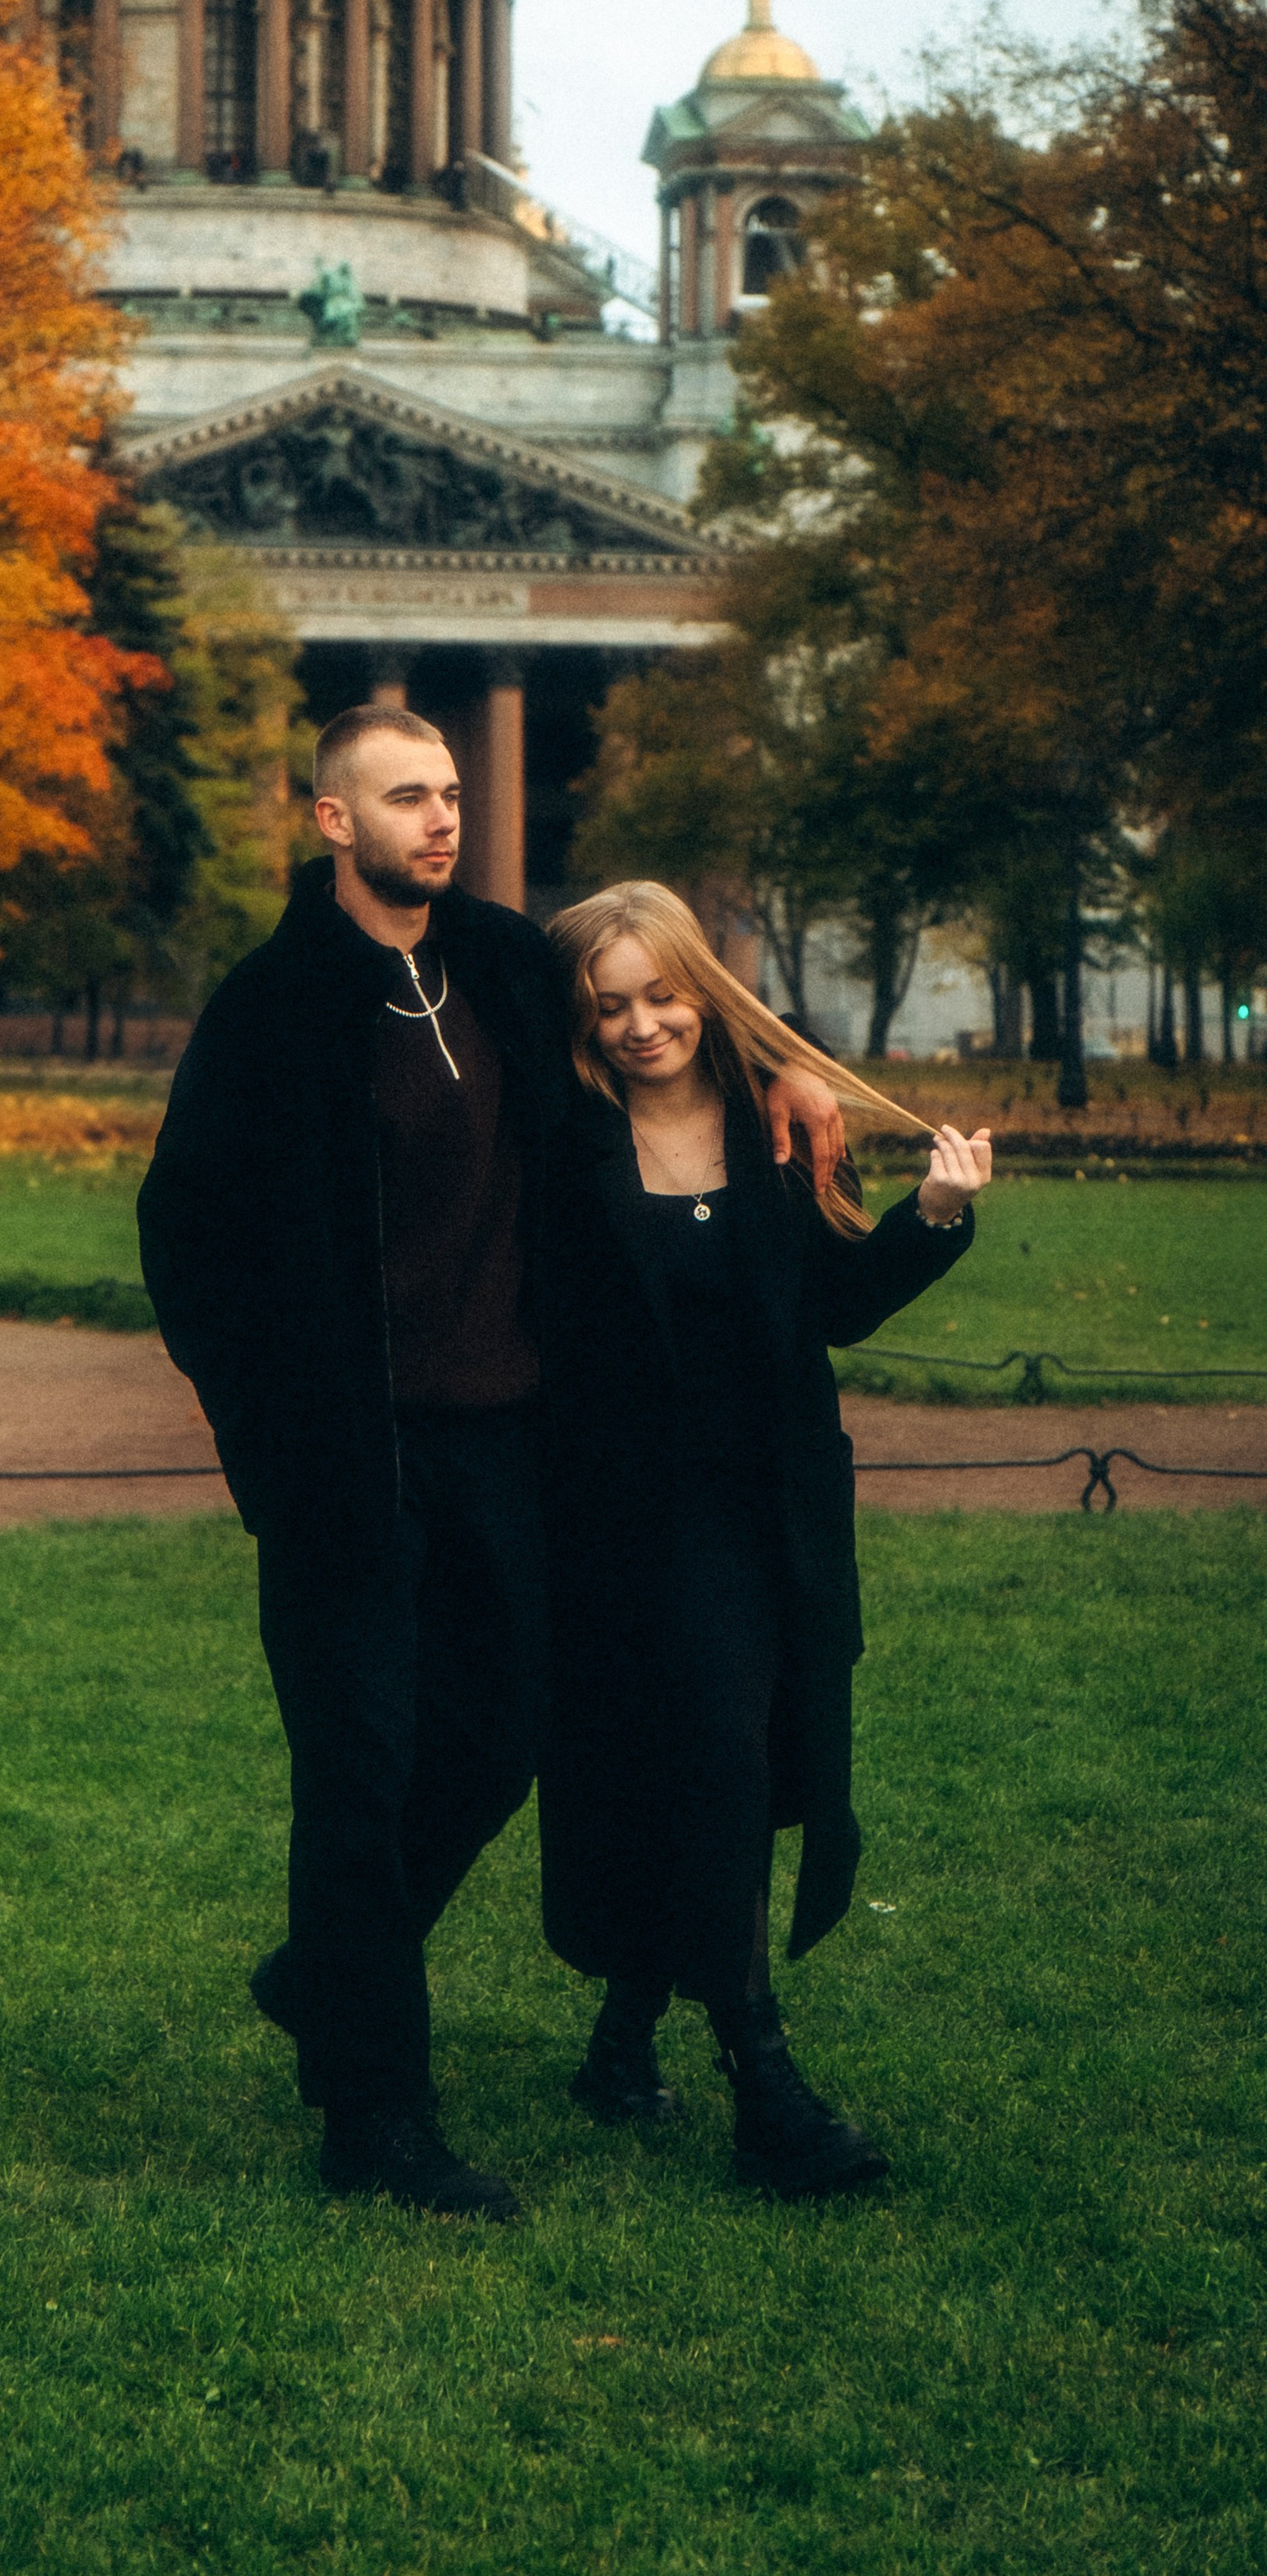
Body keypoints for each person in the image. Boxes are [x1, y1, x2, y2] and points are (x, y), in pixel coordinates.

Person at [136, 709, 846, 2221]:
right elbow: (184, 1240)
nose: (441, 819)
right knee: (361, 1770)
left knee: (501, 1739)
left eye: (452, 794)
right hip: (351, 1471)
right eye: (407, 798)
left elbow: (655, 990)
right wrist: (270, 1443)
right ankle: (374, 2123)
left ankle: (329, 1971)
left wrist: (788, 1070)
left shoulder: (505, 965)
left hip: (512, 1444)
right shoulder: (273, 1010)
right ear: (335, 822)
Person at [539, 882, 990, 2198]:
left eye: (663, 995)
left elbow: (835, 1307)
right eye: (609, 1005)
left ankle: (623, 2044)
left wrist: (937, 1215)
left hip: (768, 1513)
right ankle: (763, 2079)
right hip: (620, 1524)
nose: (640, 1025)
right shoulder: (559, 1135)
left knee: (722, 1764)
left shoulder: (774, 1126)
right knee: (712, 1764)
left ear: (706, 990)